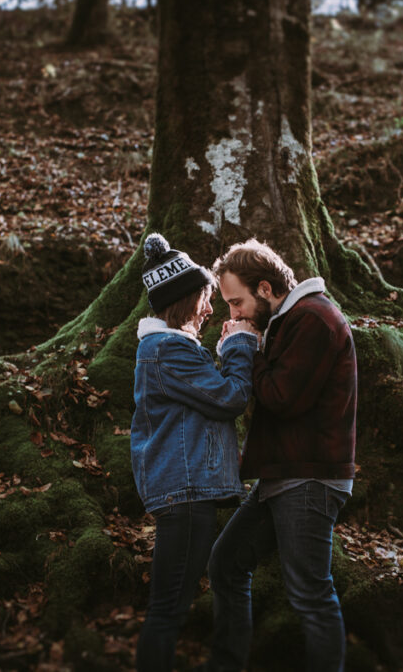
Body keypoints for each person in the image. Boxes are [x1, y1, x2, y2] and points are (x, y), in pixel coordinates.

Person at [204, 239, 358, 672]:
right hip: (283, 475)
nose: (233, 315)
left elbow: (280, 396)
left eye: (237, 303)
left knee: (310, 591)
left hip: (309, 477)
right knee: (227, 564)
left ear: (266, 289)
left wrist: (246, 349)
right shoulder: (290, 321)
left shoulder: (314, 319)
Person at [130, 233, 260, 672]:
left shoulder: (172, 350)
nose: (210, 308)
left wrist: (224, 350)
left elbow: (208, 398)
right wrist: (241, 343)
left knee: (168, 604)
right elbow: (230, 398)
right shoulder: (167, 350)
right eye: (205, 298)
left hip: (185, 493)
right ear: (183, 301)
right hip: (184, 496)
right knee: (168, 608)